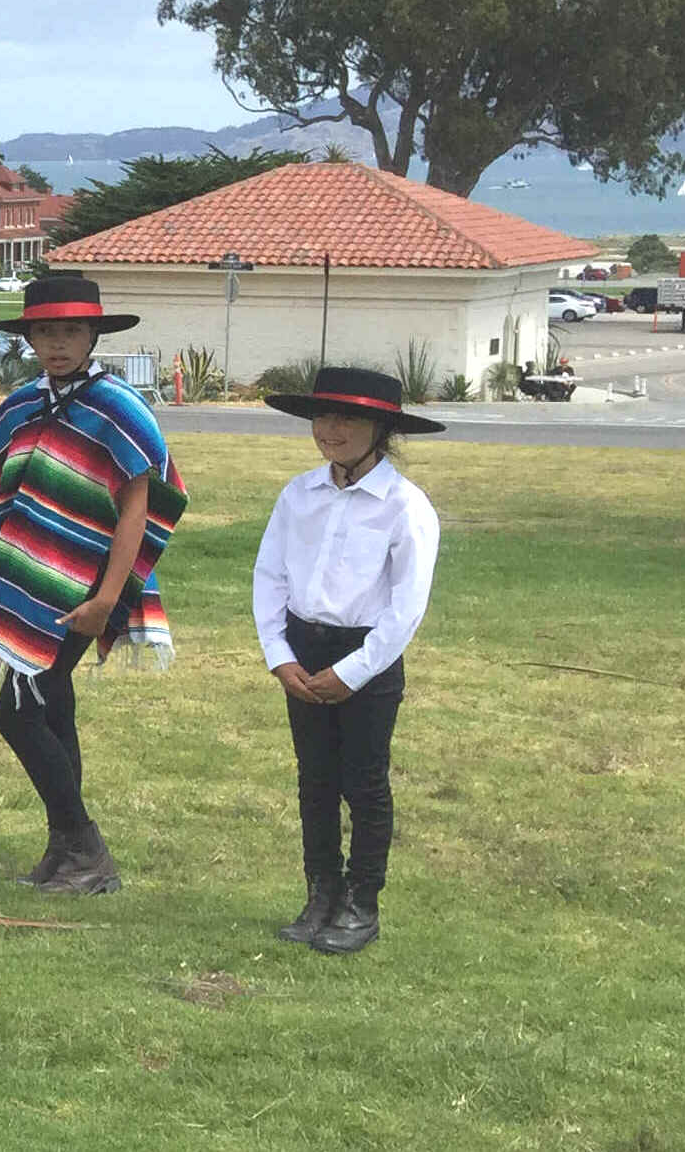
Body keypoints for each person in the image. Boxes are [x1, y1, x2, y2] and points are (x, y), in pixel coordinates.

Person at [0, 274, 188, 896]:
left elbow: (138, 504)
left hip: (89, 585)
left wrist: (108, 598)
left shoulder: (117, 405)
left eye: (70, 331)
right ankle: (67, 853)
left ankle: (84, 844)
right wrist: (35, 538)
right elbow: (16, 477)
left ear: (93, 336)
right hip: (36, 578)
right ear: (30, 336)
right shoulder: (30, 400)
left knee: (16, 713)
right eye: (45, 331)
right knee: (51, 705)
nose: (57, 343)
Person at [252, 366, 442, 956]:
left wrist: (354, 671)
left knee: (363, 783)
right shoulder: (298, 495)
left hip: (368, 656)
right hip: (303, 651)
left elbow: (406, 606)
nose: (331, 429)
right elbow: (270, 575)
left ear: (382, 429)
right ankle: (321, 892)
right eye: (323, 416)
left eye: (349, 418)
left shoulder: (404, 507)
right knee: (315, 781)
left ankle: (362, 901)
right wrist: (280, 656)